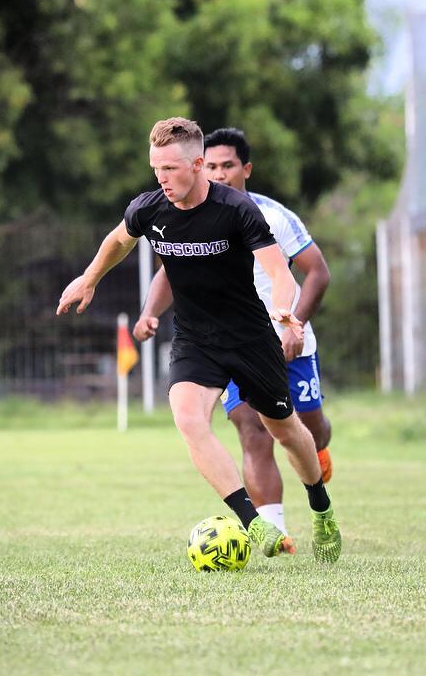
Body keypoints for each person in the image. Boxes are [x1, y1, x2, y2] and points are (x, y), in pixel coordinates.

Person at [57, 117, 341, 563]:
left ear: (197, 164)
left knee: (287, 432)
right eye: (156, 170)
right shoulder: (150, 209)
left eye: (170, 169)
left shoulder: (237, 210)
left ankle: (321, 509)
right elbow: (119, 240)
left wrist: (286, 313)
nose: (162, 179)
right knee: (189, 420)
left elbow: (277, 271)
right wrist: (89, 279)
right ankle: (254, 522)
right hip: (194, 339)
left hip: (250, 338)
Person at [134, 127, 332, 536]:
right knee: (249, 427)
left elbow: (314, 273)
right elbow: (172, 269)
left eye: (228, 165)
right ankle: (268, 527)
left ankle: (318, 472)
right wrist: (149, 312)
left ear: (246, 169)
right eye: (216, 165)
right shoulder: (181, 209)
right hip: (218, 340)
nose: (221, 173)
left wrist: (293, 322)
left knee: (303, 430)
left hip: (282, 334)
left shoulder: (269, 215)